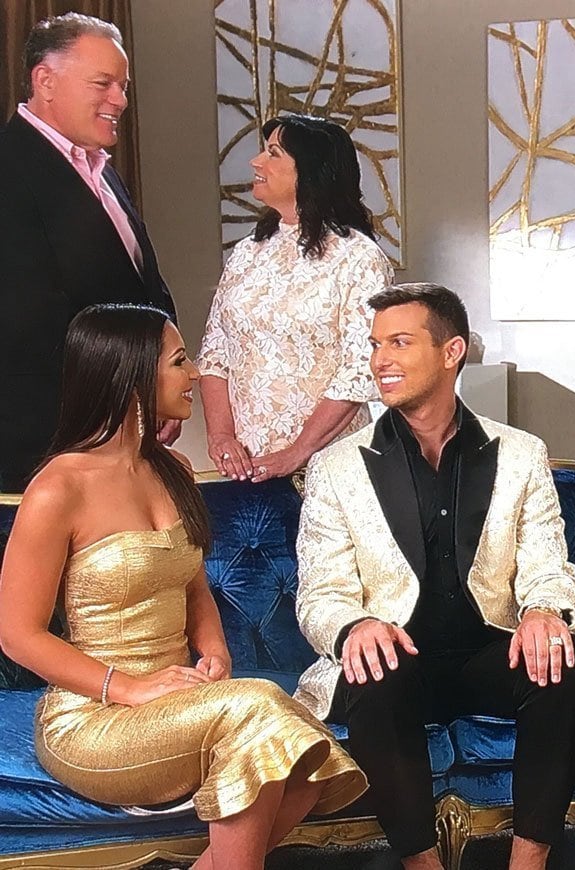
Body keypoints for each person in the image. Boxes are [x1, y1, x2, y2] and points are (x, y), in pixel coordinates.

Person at [0, 304, 366, 870]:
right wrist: (129, 688)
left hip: (181, 699)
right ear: (132, 376)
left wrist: (215, 651)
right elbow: (16, 635)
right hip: (92, 719)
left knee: (307, 761)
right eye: (179, 361)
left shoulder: (173, 469)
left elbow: (194, 588)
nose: (195, 373)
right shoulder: (57, 488)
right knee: (264, 710)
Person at [292, 283, 575, 870]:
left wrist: (543, 613)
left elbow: (548, 564)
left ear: (451, 351)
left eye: (400, 342)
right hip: (396, 658)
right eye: (375, 344)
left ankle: (528, 863)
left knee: (565, 663)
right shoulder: (335, 467)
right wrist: (354, 627)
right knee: (374, 670)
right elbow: (320, 594)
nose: (380, 360)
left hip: (487, 651)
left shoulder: (521, 453)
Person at [0, 13, 177, 491]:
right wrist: (135, 389)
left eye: (123, 86)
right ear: (45, 80)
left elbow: (143, 286)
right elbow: (28, 322)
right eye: (103, 84)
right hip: (51, 449)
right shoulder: (9, 168)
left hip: (122, 437)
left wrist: (162, 380)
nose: (120, 100)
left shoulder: (101, 170)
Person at [198, 114, 392, 484]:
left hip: (330, 469)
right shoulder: (246, 253)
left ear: (311, 171)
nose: (256, 162)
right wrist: (220, 437)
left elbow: (358, 369)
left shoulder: (359, 257)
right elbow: (214, 355)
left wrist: (297, 453)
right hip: (247, 469)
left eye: (273, 153)